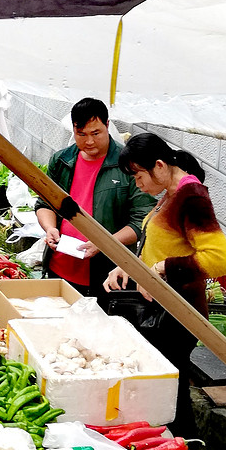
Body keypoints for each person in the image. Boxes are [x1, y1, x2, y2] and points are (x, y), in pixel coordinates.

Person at [103, 132, 226, 430]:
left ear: (159, 166)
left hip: (177, 313)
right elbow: (161, 244)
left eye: (138, 175)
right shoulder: (172, 194)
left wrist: (163, 268)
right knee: (165, 388)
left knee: (172, 394)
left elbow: (220, 259)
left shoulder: (192, 198)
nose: (137, 183)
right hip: (160, 309)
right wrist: (131, 268)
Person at [35, 97, 153, 302]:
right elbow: (45, 203)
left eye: (95, 133)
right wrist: (50, 229)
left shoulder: (128, 165)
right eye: (81, 134)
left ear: (107, 126)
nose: (88, 141)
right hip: (60, 267)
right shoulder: (62, 160)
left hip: (108, 275)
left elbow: (141, 221)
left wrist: (104, 243)